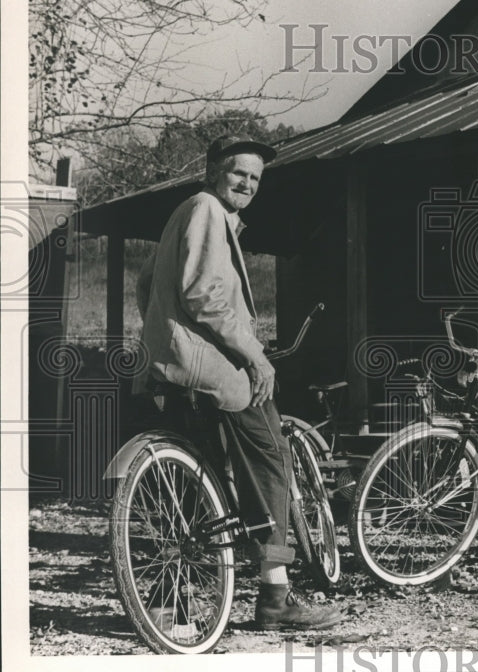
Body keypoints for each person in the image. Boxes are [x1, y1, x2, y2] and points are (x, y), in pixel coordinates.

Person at [136, 132, 343, 630]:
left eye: (255, 177)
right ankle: (275, 596)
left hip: (174, 371)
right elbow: (205, 293)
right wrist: (255, 356)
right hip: (212, 371)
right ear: (212, 173)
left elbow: (147, 283)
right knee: (271, 455)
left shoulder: (184, 215)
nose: (248, 183)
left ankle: (168, 600)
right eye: (238, 173)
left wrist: (168, 337)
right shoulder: (206, 208)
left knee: (190, 481)